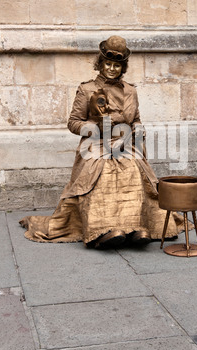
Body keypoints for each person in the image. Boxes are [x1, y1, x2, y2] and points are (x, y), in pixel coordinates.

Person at [19, 36, 183, 249]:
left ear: (122, 67)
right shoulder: (87, 90)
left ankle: (135, 227)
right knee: (103, 172)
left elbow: (136, 121)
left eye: (117, 65)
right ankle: (103, 230)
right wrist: (96, 130)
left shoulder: (131, 91)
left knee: (133, 169)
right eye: (108, 64)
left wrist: (132, 135)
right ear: (100, 63)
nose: (112, 69)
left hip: (124, 144)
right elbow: (73, 122)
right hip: (94, 145)